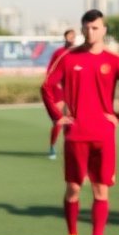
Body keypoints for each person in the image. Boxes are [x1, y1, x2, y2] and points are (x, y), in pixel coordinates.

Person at [40, 10, 119, 235]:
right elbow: (47, 87)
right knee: (73, 188)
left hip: (103, 135)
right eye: (86, 28)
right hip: (76, 135)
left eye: (95, 28)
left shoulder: (114, 60)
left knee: (100, 190)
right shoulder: (68, 58)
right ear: (82, 29)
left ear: (104, 30)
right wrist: (56, 115)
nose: (90, 32)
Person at [44, 28, 77, 159]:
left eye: (73, 36)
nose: (71, 38)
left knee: (71, 121)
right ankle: (52, 146)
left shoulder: (78, 52)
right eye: (69, 36)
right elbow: (50, 73)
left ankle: (70, 147)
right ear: (65, 37)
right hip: (59, 92)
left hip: (73, 91)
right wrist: (56, 85)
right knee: (58, 121)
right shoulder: (59, 53)